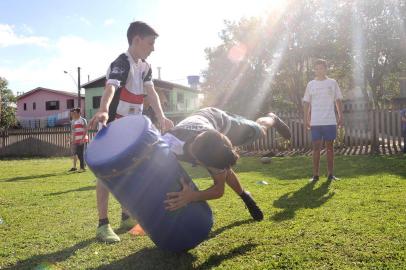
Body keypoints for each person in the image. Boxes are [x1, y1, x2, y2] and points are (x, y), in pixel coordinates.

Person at [88, 21, 174, 243]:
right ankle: (102, 225)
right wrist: (104, 110)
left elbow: (151, 93)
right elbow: (111, 87)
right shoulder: (121, 62)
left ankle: (126, 216)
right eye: (150, 43)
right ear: (136, 39)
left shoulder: (145, 67)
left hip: (132, 129)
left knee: (130, 170)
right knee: (106, 175)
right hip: (112, 126)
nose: (153, 48)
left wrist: (162, 116)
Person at [160, 107, 291, 220]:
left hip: (221, 122)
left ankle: (272, 118)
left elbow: (219, 190)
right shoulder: (168, 142)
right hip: (205, 123)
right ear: (199, 162)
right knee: (224, 171)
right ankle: (246, 196)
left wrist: (193, 196)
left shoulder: (211, 147)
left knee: (261, 130)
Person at [303, 59, 344, 182]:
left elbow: (338, 100)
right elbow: (306, 103)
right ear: (314, 70)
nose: (318, 70)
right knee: (316, 148)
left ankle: (330, 174)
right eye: (316, 68)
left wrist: (341, 116)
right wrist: (306, 119)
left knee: (330, 148)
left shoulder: (332, 83)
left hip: (330, 121)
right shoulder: (311, 84)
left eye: (321, 68)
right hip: (315, 122)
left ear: (325, 69)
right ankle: (315, 175)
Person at [69, 108, 88, 172]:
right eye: (73, 113)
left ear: (79, 113)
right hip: (76, 140)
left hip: (82, 139)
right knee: (77, 153)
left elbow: (85, 130)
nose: (74, 114)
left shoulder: (83, 120)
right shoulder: (74, 121)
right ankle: (82, 167)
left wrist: (82, 139)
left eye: (75, 113)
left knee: (81, 153)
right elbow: (74, 131)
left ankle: (82, 168)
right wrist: (73, 140)